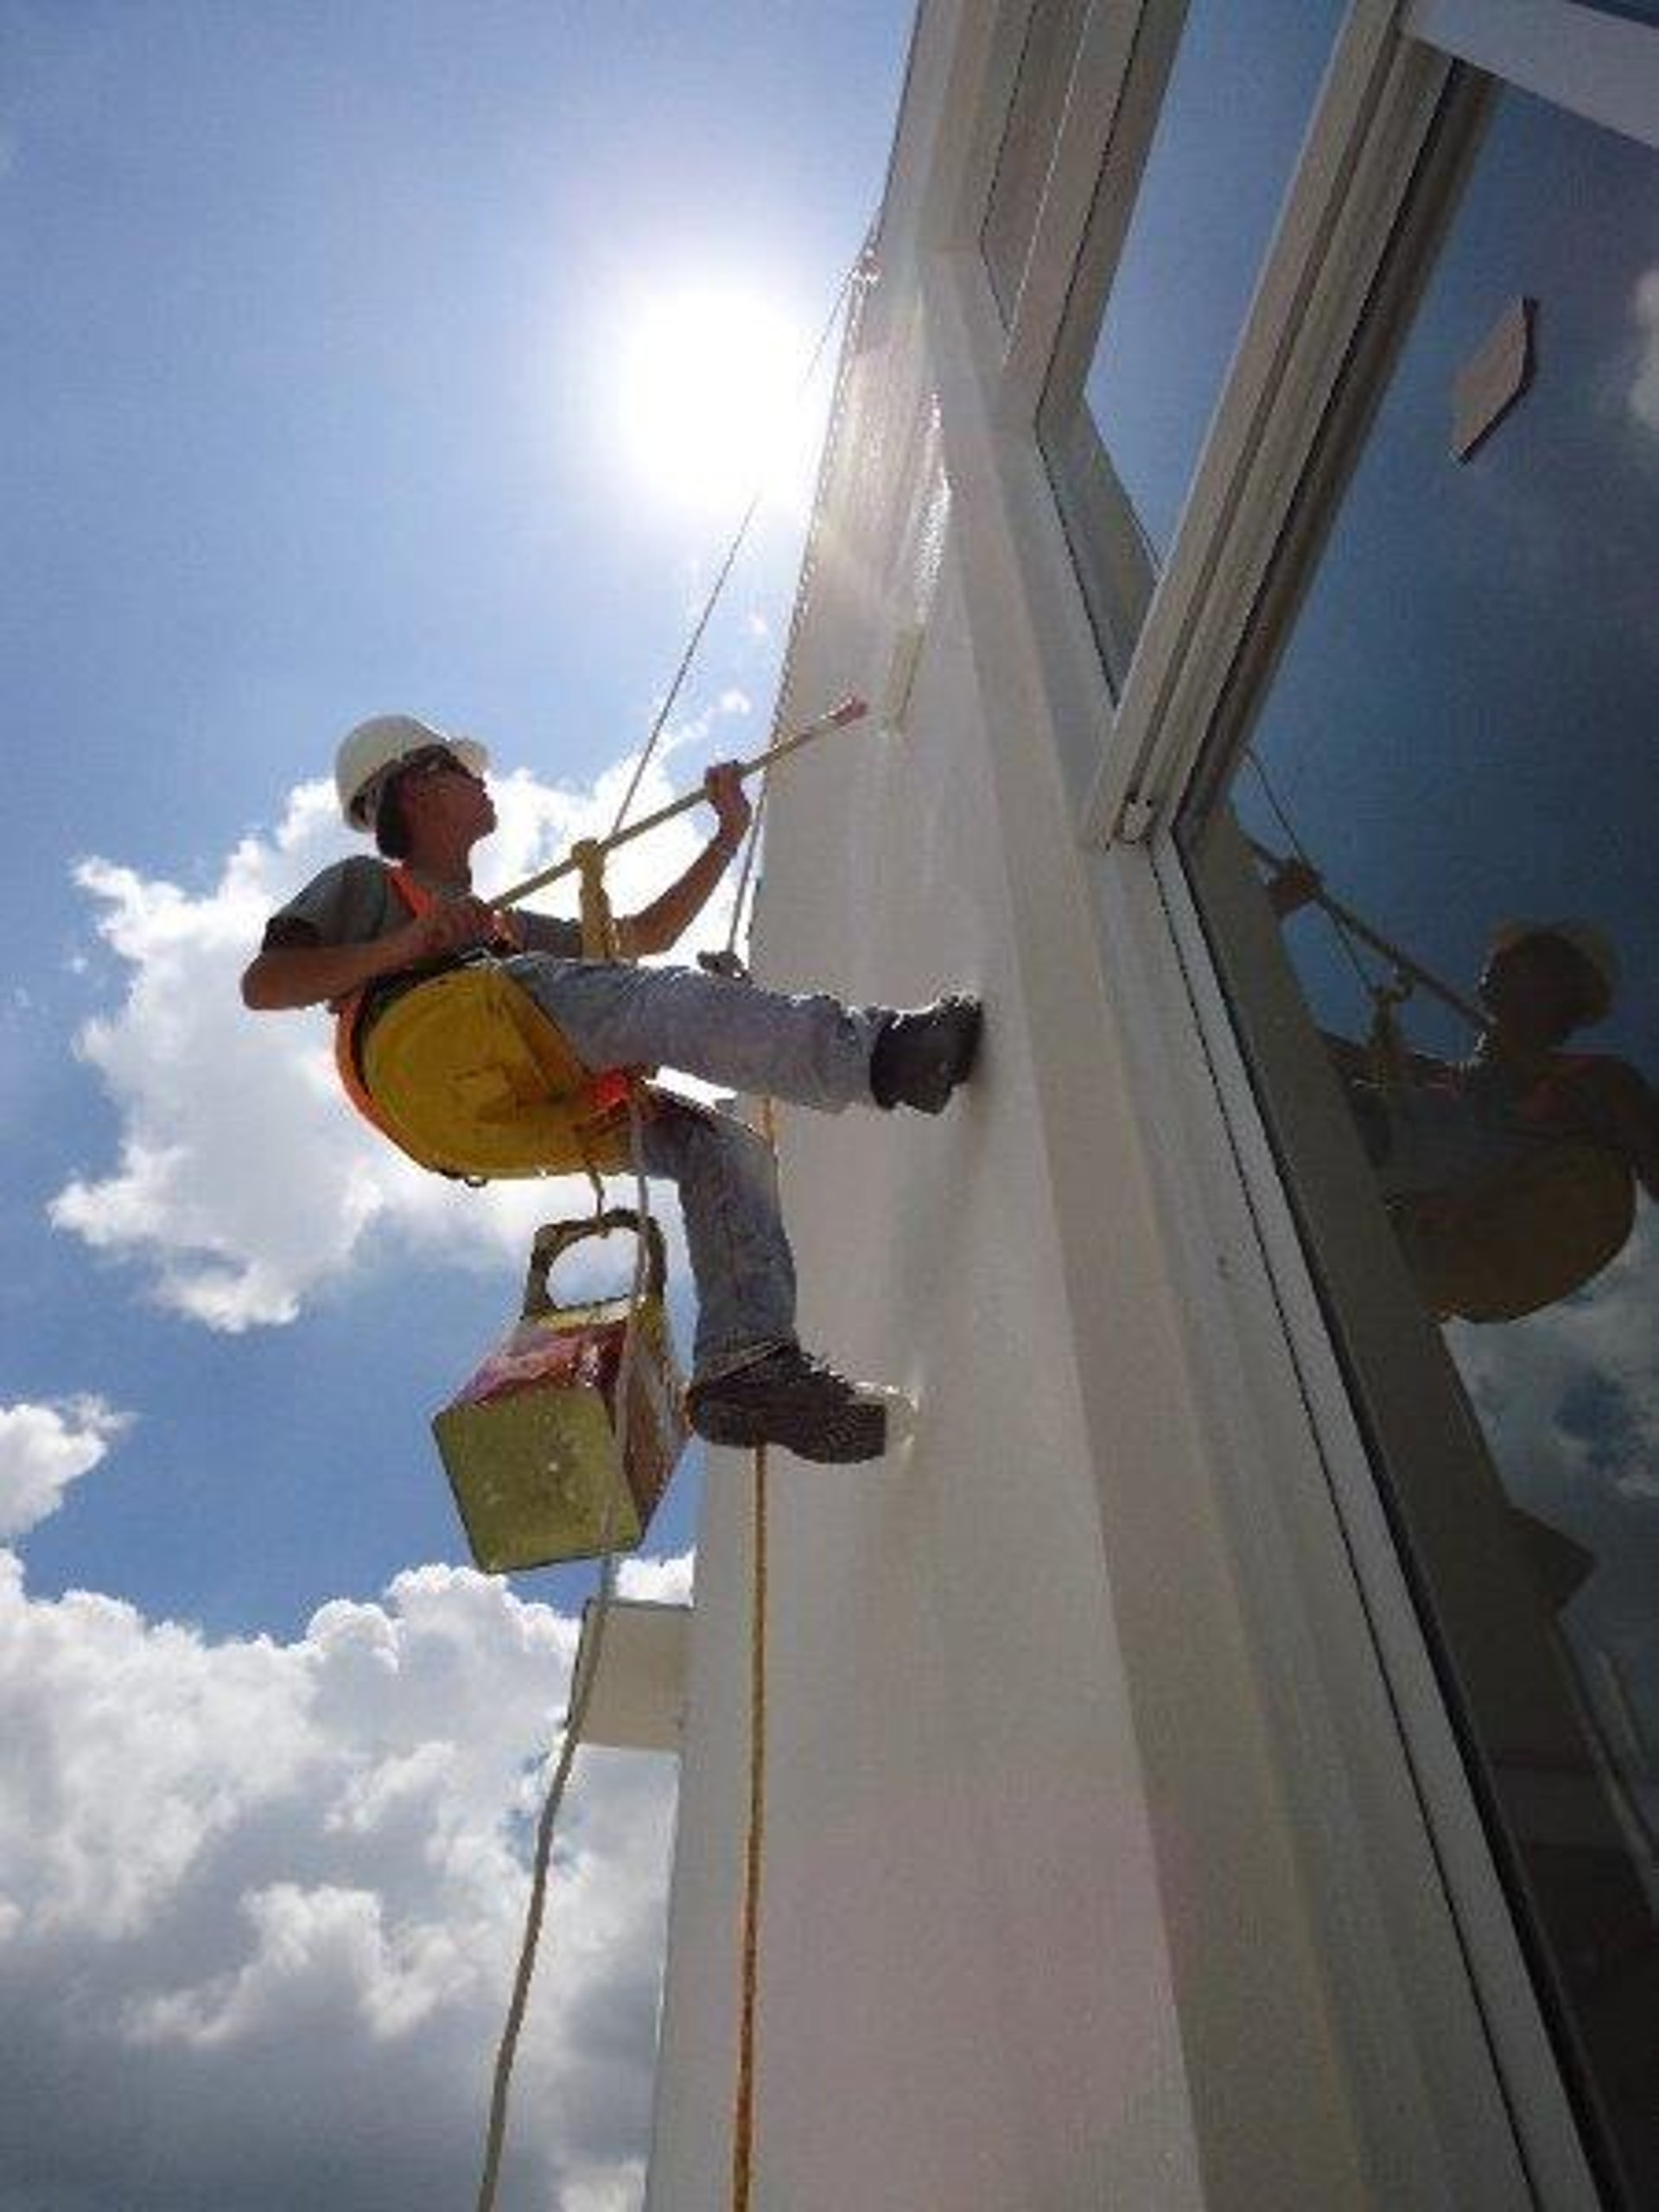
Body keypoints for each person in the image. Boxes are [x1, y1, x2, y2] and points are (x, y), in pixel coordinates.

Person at [241, 714, 983, 1462]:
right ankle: (885, 1053)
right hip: (437, 1042)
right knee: (657, 1004)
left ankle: (748, 1363)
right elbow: (266, 984)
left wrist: (726, 835)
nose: (483, 781)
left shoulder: (500, 927)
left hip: (494, 1109)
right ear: (421, 785)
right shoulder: (369, 885)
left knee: (720, 1149)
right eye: (465, 773)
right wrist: (411, 942)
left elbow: (643, 935)